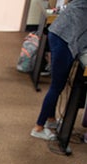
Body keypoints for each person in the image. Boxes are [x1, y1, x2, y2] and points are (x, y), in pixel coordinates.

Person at [30, 0, 87, 140]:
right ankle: (38, 127)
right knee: (57, 86)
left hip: (60, 33)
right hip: (64, 38)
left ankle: (51, 120)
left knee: (59, 84)